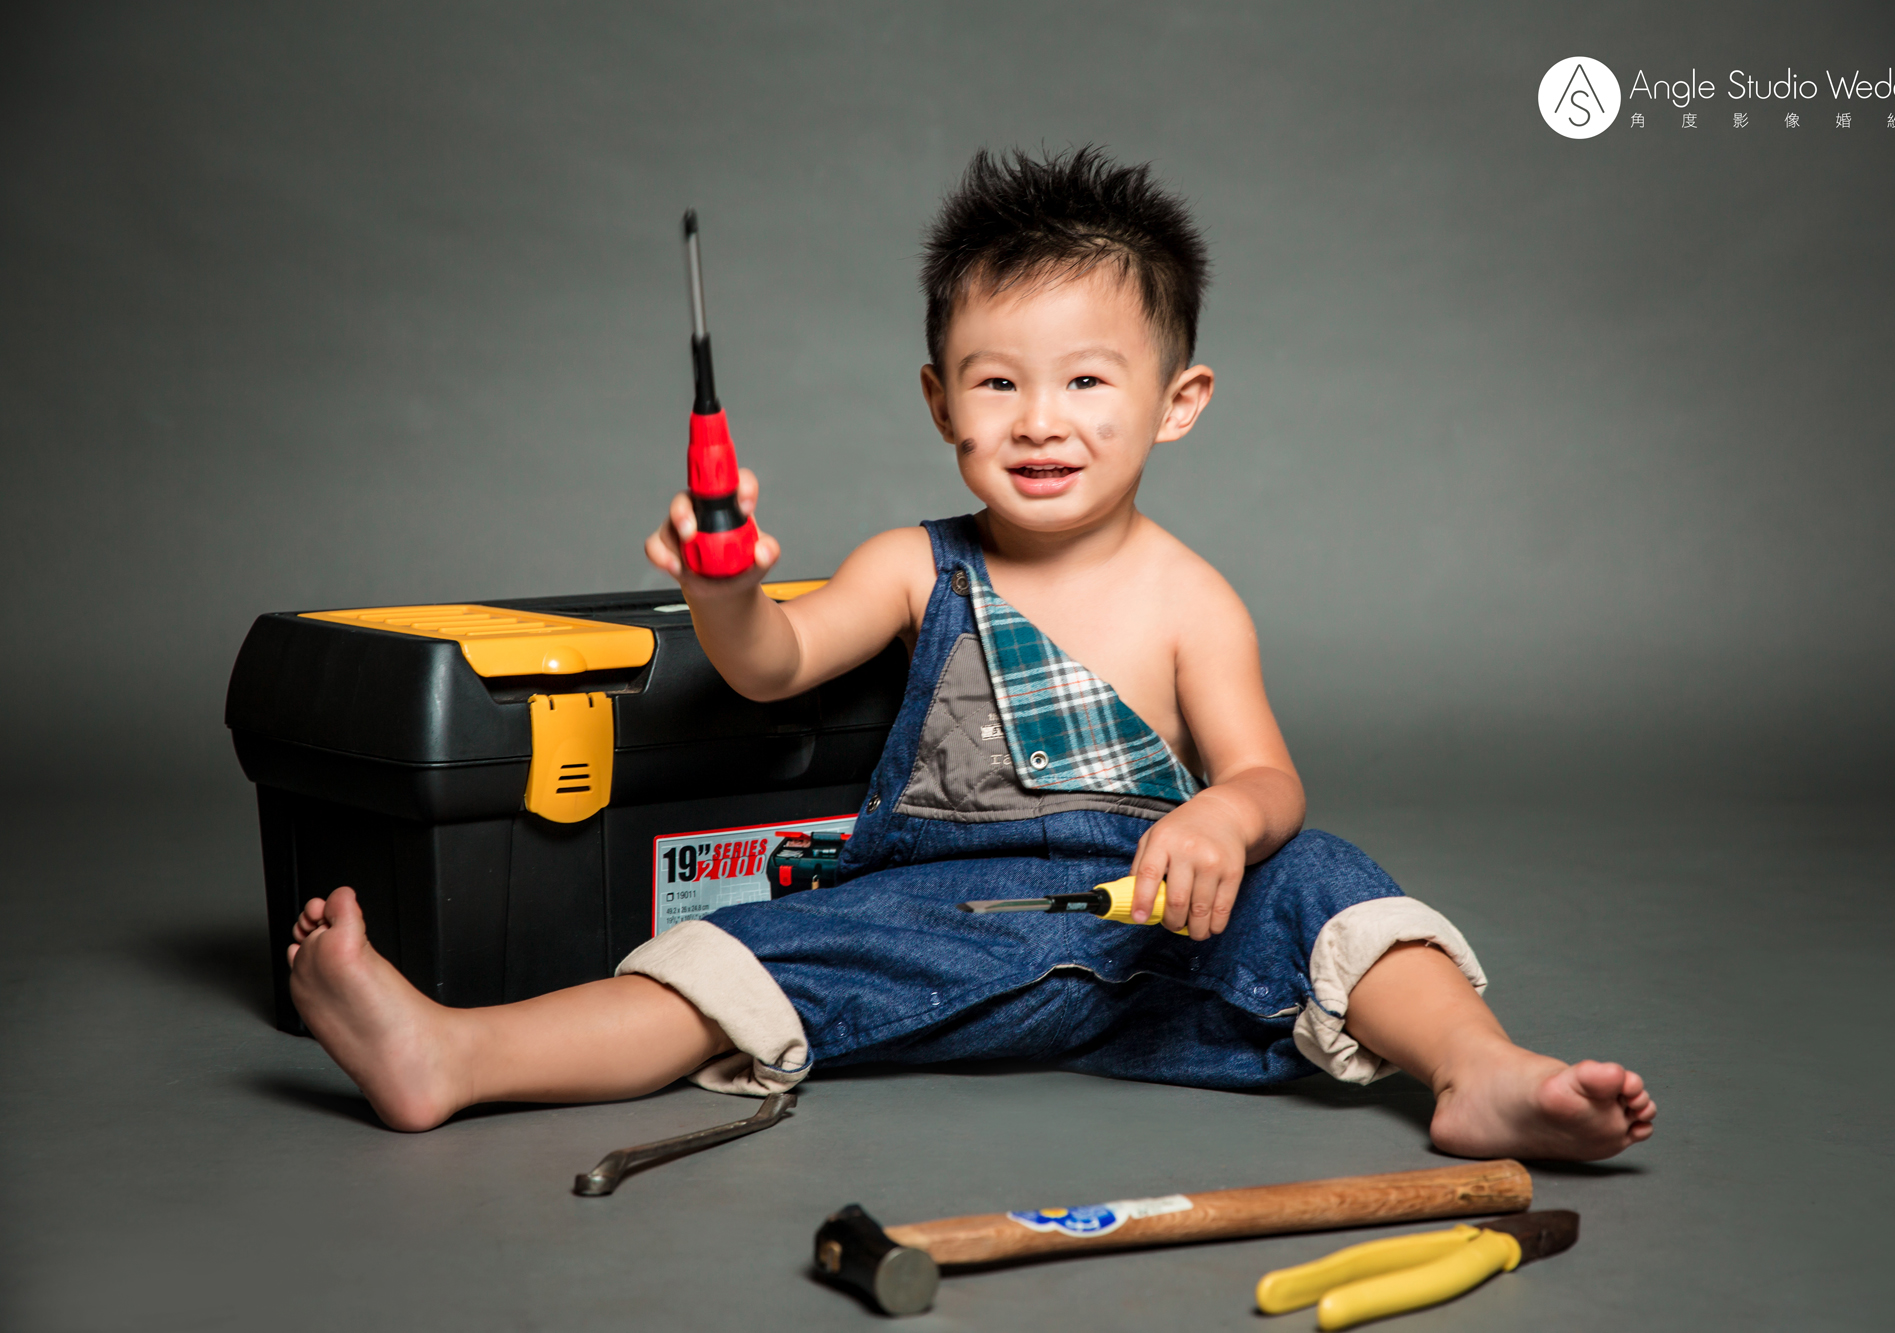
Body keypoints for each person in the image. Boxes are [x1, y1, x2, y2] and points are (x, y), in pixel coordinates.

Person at [288, 147, 1656, 1160]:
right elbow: (768, 663)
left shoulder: (1192, 598)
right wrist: (725, 585)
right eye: (997, 381)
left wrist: (1222, 820)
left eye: (1087, 380)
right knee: (747, 953)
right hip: (942, 924)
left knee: (1323, 876)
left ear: (1178, 402)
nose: (1038, 420)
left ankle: (1479, 1069)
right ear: (940, 398)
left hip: (1155, 934)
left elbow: (1267, 777)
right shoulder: (912, 563)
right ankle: (457, 1053)